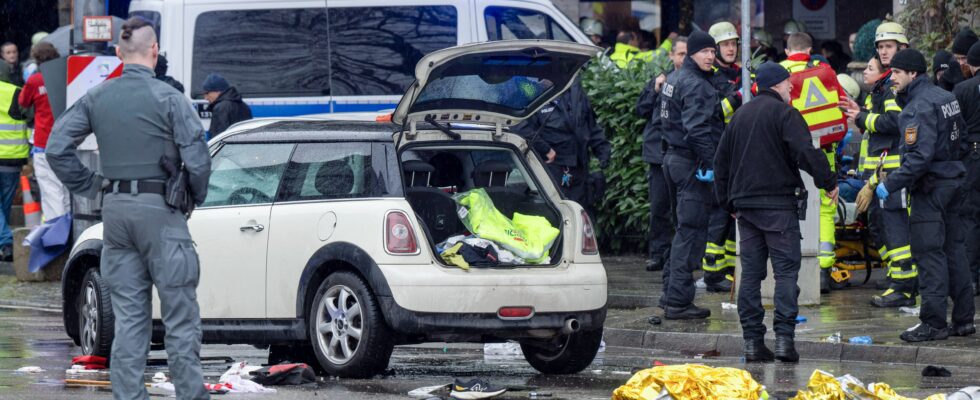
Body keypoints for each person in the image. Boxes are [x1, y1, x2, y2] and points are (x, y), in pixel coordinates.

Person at [46, 17, 211, 400]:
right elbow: (198, 160)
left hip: (116, 214)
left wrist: (93, 187)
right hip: (163, 214)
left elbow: (57, 148)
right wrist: (194, 196)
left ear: (119, 54)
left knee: (129, 320)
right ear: (155, 51)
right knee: (180, 320)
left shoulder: (98, 96)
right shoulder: (169, 98)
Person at [715, 61, 838, 362]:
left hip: (746, 210)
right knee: (785, 275)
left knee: (750, 276)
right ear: (777, 85)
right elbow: (806, 152)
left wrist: (728, 203)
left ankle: (753, 343)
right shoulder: (785, 114)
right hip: (779, 207)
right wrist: (828, 182)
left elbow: (721, 164)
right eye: (787, 84)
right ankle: (784, 341)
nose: (791, 89)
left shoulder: (739, 117)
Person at [875, 49, 975, 342]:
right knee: (955, 250)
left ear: (913, 74)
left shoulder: (917, 108)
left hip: (931, 188)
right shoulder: (946, 97)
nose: (892, 78)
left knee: (929, 254)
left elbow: (918, 157)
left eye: (896, 73)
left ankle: (933, 322)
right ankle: (964, 320)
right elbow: (964, 138)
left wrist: (890, 184)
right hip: (955, 181)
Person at [843, 21, 916, 307]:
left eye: (889, 46)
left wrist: (862, 119)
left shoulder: (892, 87)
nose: (884, 52)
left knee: (896, 231)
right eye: (881, 47)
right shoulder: (885, 84)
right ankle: (900, 282)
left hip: (893, 172)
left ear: (902, 48)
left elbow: (896, 122)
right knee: (884, 229)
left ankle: (904, 287)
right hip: (881, 172)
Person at [657, 31, 720, 320]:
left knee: (679, 230)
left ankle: (668, 294)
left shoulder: (674, 78)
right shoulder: (697, 85)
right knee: (691, 232)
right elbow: (697, 130)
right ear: (693, 53)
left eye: (712, 51)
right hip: (691, 164)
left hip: (672, 160)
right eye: (705, 51)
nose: (711, 56)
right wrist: (712, 163)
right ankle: (679, 302)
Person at [779, 32, 848, 293]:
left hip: (790, 152)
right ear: (809, 50)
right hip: (824, 151)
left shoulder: (778, 72)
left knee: (790, 208)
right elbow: (840, 104)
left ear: (787, 51)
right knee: (825, 209)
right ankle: (824, 270)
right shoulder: (825, 70)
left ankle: (792, 267)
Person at [513, 79, 611, 211]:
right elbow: (518, 125)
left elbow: (589, 123)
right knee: (555, 212)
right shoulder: (530, 89)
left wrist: (603, 152)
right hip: (549, 168)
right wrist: (545, 149)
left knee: (580, 212)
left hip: (579, 166)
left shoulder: (574, 88)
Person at [636, 36, 687, 273]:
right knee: (659, 208)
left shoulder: (694, 82)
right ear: (671, 56)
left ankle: (682, 255)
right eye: (680, 54)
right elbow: (641, 110)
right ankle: (658, 254)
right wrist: (655, 89)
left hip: (684, 155)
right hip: (659, 156)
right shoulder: (661, 80)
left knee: (684, 209)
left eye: (687, 54)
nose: (683, 58)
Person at [702, 21, 744, 293]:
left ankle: (728, 267)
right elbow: (720, 113)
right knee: (720, 211)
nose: (730, 48)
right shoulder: (714, 78)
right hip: (721, 152)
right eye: (725, 45)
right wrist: (742, 95)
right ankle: (712, 272)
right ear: (716, 49)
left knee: (732, 213)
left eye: (733, 44)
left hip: (738, 152)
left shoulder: (738, 73)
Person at [18, 42, 69, 220]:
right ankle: (70, 230)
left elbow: (23, 103)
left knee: (50, 190)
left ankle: (57, 236)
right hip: (68, 141)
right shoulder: (66, 75)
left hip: (44, 142)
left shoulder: (34, 80)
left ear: (36, 58)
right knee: (67, 188)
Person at [952, 42, 980, 295]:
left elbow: (956, 128)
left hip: (973, 155)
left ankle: (971, 278)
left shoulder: (962, 89)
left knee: (971, 217)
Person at [0, 77, 27, 261]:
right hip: (12, 158)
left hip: (9, 158)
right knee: (5, 204)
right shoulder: (16, 91)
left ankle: (6, 242)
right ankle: (6, 244)